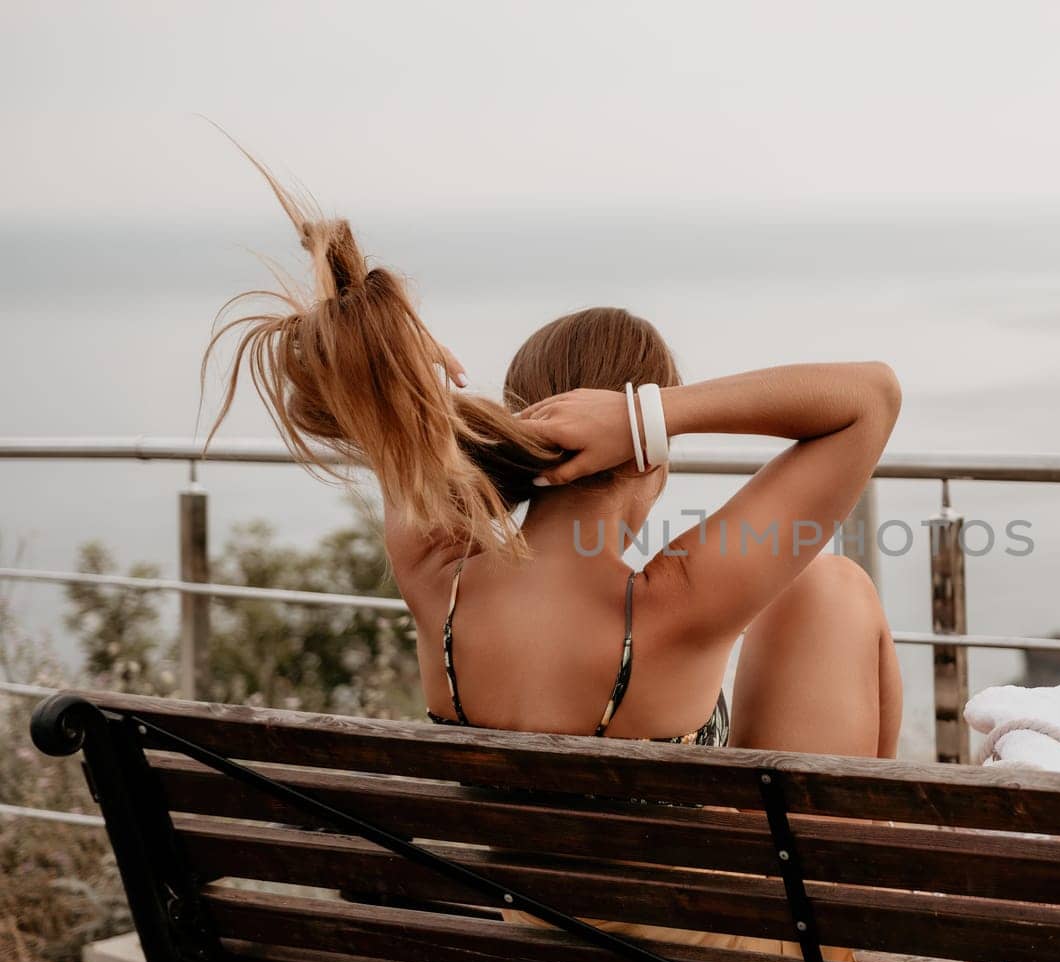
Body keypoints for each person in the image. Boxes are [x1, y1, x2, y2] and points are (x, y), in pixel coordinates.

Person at [204, 156, 903, 772]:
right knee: (832, 585)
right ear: (652, 460)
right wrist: (651, 414)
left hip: (524, 914)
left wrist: (411, 373)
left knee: (822, 583)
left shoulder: (435, 582)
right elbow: (871, 397)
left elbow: (387, 418)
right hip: (686, 923)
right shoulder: (678, 603)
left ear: (519, 419)